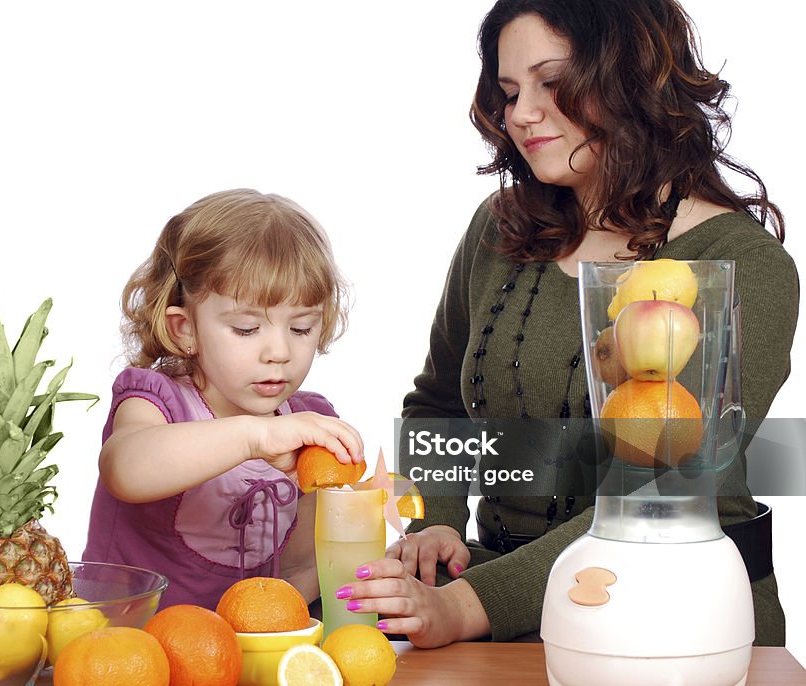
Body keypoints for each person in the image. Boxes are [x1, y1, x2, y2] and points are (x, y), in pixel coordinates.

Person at [340, 0, 797, 648]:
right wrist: (431, 531)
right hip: (498, 605)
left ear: (634, 79)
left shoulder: (741, 267)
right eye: (508, 91)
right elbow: (437, 405)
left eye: (551, 83)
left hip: (674, 616)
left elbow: (659, 493)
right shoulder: (498, 229)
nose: (521, 113)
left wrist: (467, 608)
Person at [83, 188, 364, 610]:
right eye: (247, 329)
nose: (279, 352)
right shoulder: (157, 400)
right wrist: (255, 436)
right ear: (185, 329)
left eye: (302, 328)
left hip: (240, 655)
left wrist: (359, 558)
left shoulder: (308, 422)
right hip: (129, 645)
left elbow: (301, 571)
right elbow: (125, 468)